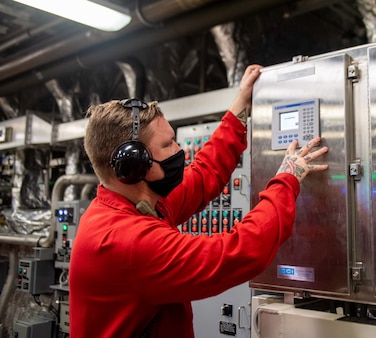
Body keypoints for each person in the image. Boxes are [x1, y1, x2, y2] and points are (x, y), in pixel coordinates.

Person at [69, 64, 329, 337]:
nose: (179, 150)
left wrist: (240, 107)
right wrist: (286, 180)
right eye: (168, 145)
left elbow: (204, 174)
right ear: (134, 164)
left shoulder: (137, 205)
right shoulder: (126, 241)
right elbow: (239, 252)